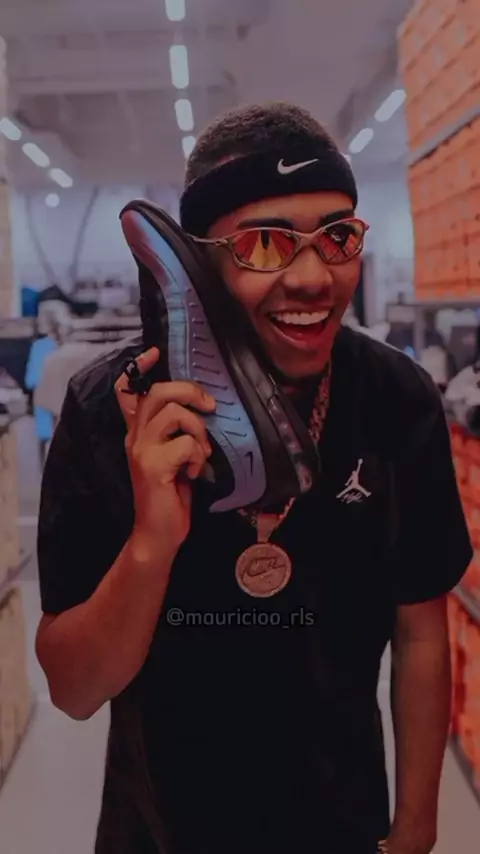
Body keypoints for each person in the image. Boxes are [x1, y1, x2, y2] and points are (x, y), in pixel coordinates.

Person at [35, 102, 472, 854]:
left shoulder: (395, 398)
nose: (312, 277)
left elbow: (421, 628)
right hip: (159, 831)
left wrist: (417, 826)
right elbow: (75, 691)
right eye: (265, 245)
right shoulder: (111, 410)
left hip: (341, 822)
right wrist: (152, 543)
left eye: (337, 236)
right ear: (196, 264)